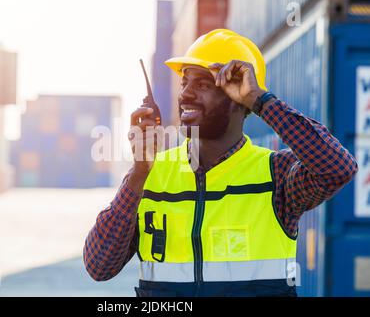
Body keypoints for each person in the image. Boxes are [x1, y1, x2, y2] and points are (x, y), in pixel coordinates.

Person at [83, 29, 358, 297]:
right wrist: (138, 172)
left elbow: (337, 167)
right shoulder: (150, 174)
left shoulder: (276, 176)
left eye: (202, 85)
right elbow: (99, 266)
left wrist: (260, 100)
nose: (185, 95)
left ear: (238, 99)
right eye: (184, 83)